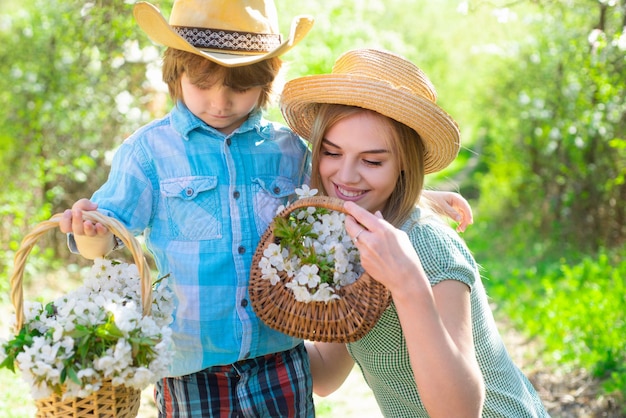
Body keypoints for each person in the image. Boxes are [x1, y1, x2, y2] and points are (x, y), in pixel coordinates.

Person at [59, 1, 472, 416]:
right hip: (191, 363)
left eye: (239, 88)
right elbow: (108, 237)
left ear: (266, 80)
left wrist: (419, 197)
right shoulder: (148, 152)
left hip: (281, 355)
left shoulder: (286, 148)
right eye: (203, 84)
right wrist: (88, 234)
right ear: (175, 72)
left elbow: (338, 195)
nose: (220, 102)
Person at [280, 48, 549, 417]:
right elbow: (327, 371)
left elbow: (460, 412)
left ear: (404, 165)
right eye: (331, 152)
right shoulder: (345, 245)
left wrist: (407, 283)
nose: (345, 175)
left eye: (373, 160)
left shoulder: (426, 246)